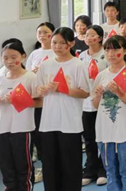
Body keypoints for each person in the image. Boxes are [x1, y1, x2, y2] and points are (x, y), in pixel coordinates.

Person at [36, 27, 91, 191]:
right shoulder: (45, 65)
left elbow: (84, 92)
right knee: (50, 165)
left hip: (70, 122)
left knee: (70, 165)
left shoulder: (78, 65)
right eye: (54, 43)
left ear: (71, 44)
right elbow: (38, 90)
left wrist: (62, 89)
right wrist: (42, 90)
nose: (57, 46)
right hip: (48, 122)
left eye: (62, 43)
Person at [92, 35, 126, 191]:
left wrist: (119, 92)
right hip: (104, 131)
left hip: (125, 130)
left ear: (125, 51)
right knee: (110, 171)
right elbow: (95, 105)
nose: (111, 54)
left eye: (116, 49)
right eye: (108, 50)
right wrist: (98, 95)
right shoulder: (102, 75)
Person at [0, 42, 41, 191]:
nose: (9, 61)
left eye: (13, 57)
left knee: (23, 167)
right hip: (2, 128)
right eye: (5, 58)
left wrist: (19, 100)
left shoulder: (30, 77)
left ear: (23, 56)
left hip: (22, 128)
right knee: (6, 167)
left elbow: (40, 102)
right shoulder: (0, 78)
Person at [25, 22, 55, 183]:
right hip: (37, 99)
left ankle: (53, 167)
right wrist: (33, 72)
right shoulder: (34, 54)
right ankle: (44, 167)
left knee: (51, 136)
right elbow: (26, 75)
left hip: (52, 100)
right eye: (39, 33)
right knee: (38, 135)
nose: (42, 35)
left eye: (45, 32)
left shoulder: (56, 52)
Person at [79, 25, 108, 186]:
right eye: (86, 35)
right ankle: (90, 169)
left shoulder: (106, 54)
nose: (88, 38)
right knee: (89, 139)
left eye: (92, 35)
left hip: (102, 101)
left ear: (100, 38)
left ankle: (103, 169)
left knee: (103, 137)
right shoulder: (81, 56)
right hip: (85, 103)